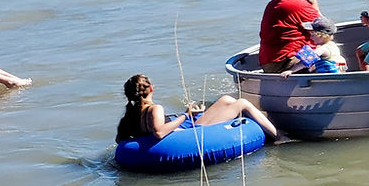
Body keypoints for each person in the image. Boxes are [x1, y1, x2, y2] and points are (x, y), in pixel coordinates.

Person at [115, 74, 280, 142]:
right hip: (191, 132)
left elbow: (120, 139)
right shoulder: (154, 109)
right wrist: (186, 116)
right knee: (242, 103)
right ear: (151, 89)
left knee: (226, 99)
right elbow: (159, 132)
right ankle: (278, 137)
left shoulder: (131, 114)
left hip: (186, 128)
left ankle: (274, 131)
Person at [259, 0, 321, 73]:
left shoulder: (273, 3)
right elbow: (326, 29)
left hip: (268, 61)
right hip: (286, 62)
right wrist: (315, 6)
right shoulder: (299, 5)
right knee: (328, 52)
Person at [276, 18, 345, 76]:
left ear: (321, 36)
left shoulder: (323, 49)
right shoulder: (332, 45)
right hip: (337, 75)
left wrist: (291, 70)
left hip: (329, 79)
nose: (311, 37)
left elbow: (305, 61)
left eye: (312, 35)